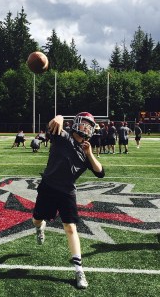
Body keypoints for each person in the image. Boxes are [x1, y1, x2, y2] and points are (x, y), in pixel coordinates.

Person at [32, 112, 105, 289]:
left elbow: (100, 172)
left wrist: (89, 153)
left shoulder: (85, 150)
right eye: (84, 124)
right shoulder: (61, 136)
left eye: (89, 126)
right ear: (76, 124)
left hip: (67, 192)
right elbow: (53, 125)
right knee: (36, 219)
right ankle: (40, 227)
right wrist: (58, 117)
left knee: (70, 228)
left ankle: (79, 270)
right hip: (48, 187)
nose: (86, 128)